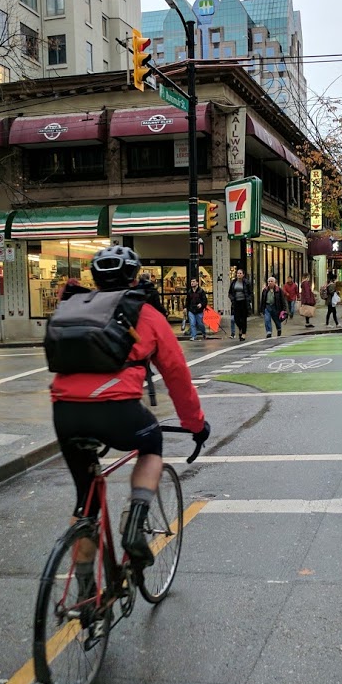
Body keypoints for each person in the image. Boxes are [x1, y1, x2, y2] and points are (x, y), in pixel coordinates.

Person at [50, 245, 209, 574]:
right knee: (151, 444)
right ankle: (135, 525)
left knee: (86, 502)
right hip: (117, 410)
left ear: (94, 279)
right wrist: (195, 424)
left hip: (64, 412)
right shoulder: (145, 313)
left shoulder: (74, 307)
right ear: (134, 277)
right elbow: (177, 374)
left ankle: (83, 597)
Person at [227, 268, 253, 341]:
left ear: (243, 274)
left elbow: (250, 293)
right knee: (236, 318)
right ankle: (240, 328)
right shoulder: (233, 282)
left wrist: (249, 299)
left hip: (244, 302)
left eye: (240, 273)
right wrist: (232, 299)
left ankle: (243, 334)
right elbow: (230, 293)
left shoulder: (246, 282)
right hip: (236, 303)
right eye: (238, 273)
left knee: (243, 319)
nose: (239, 274)